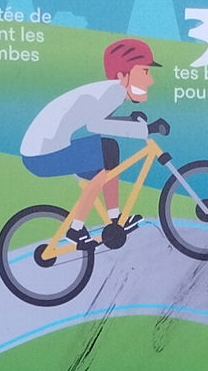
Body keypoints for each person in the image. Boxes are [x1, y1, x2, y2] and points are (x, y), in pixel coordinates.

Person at [18, 37, 165, 247]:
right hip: (42, 155)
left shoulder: (110, 91)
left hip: (43, 151)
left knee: (108, 151)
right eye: (145, 72)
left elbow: (98, 118)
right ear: (122, 76)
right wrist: (146, 129)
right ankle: (75, 229)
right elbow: (96, 125)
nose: (150, 81)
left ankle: (115, 220)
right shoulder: (114, 91)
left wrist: (129, 119)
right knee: (106, 150)